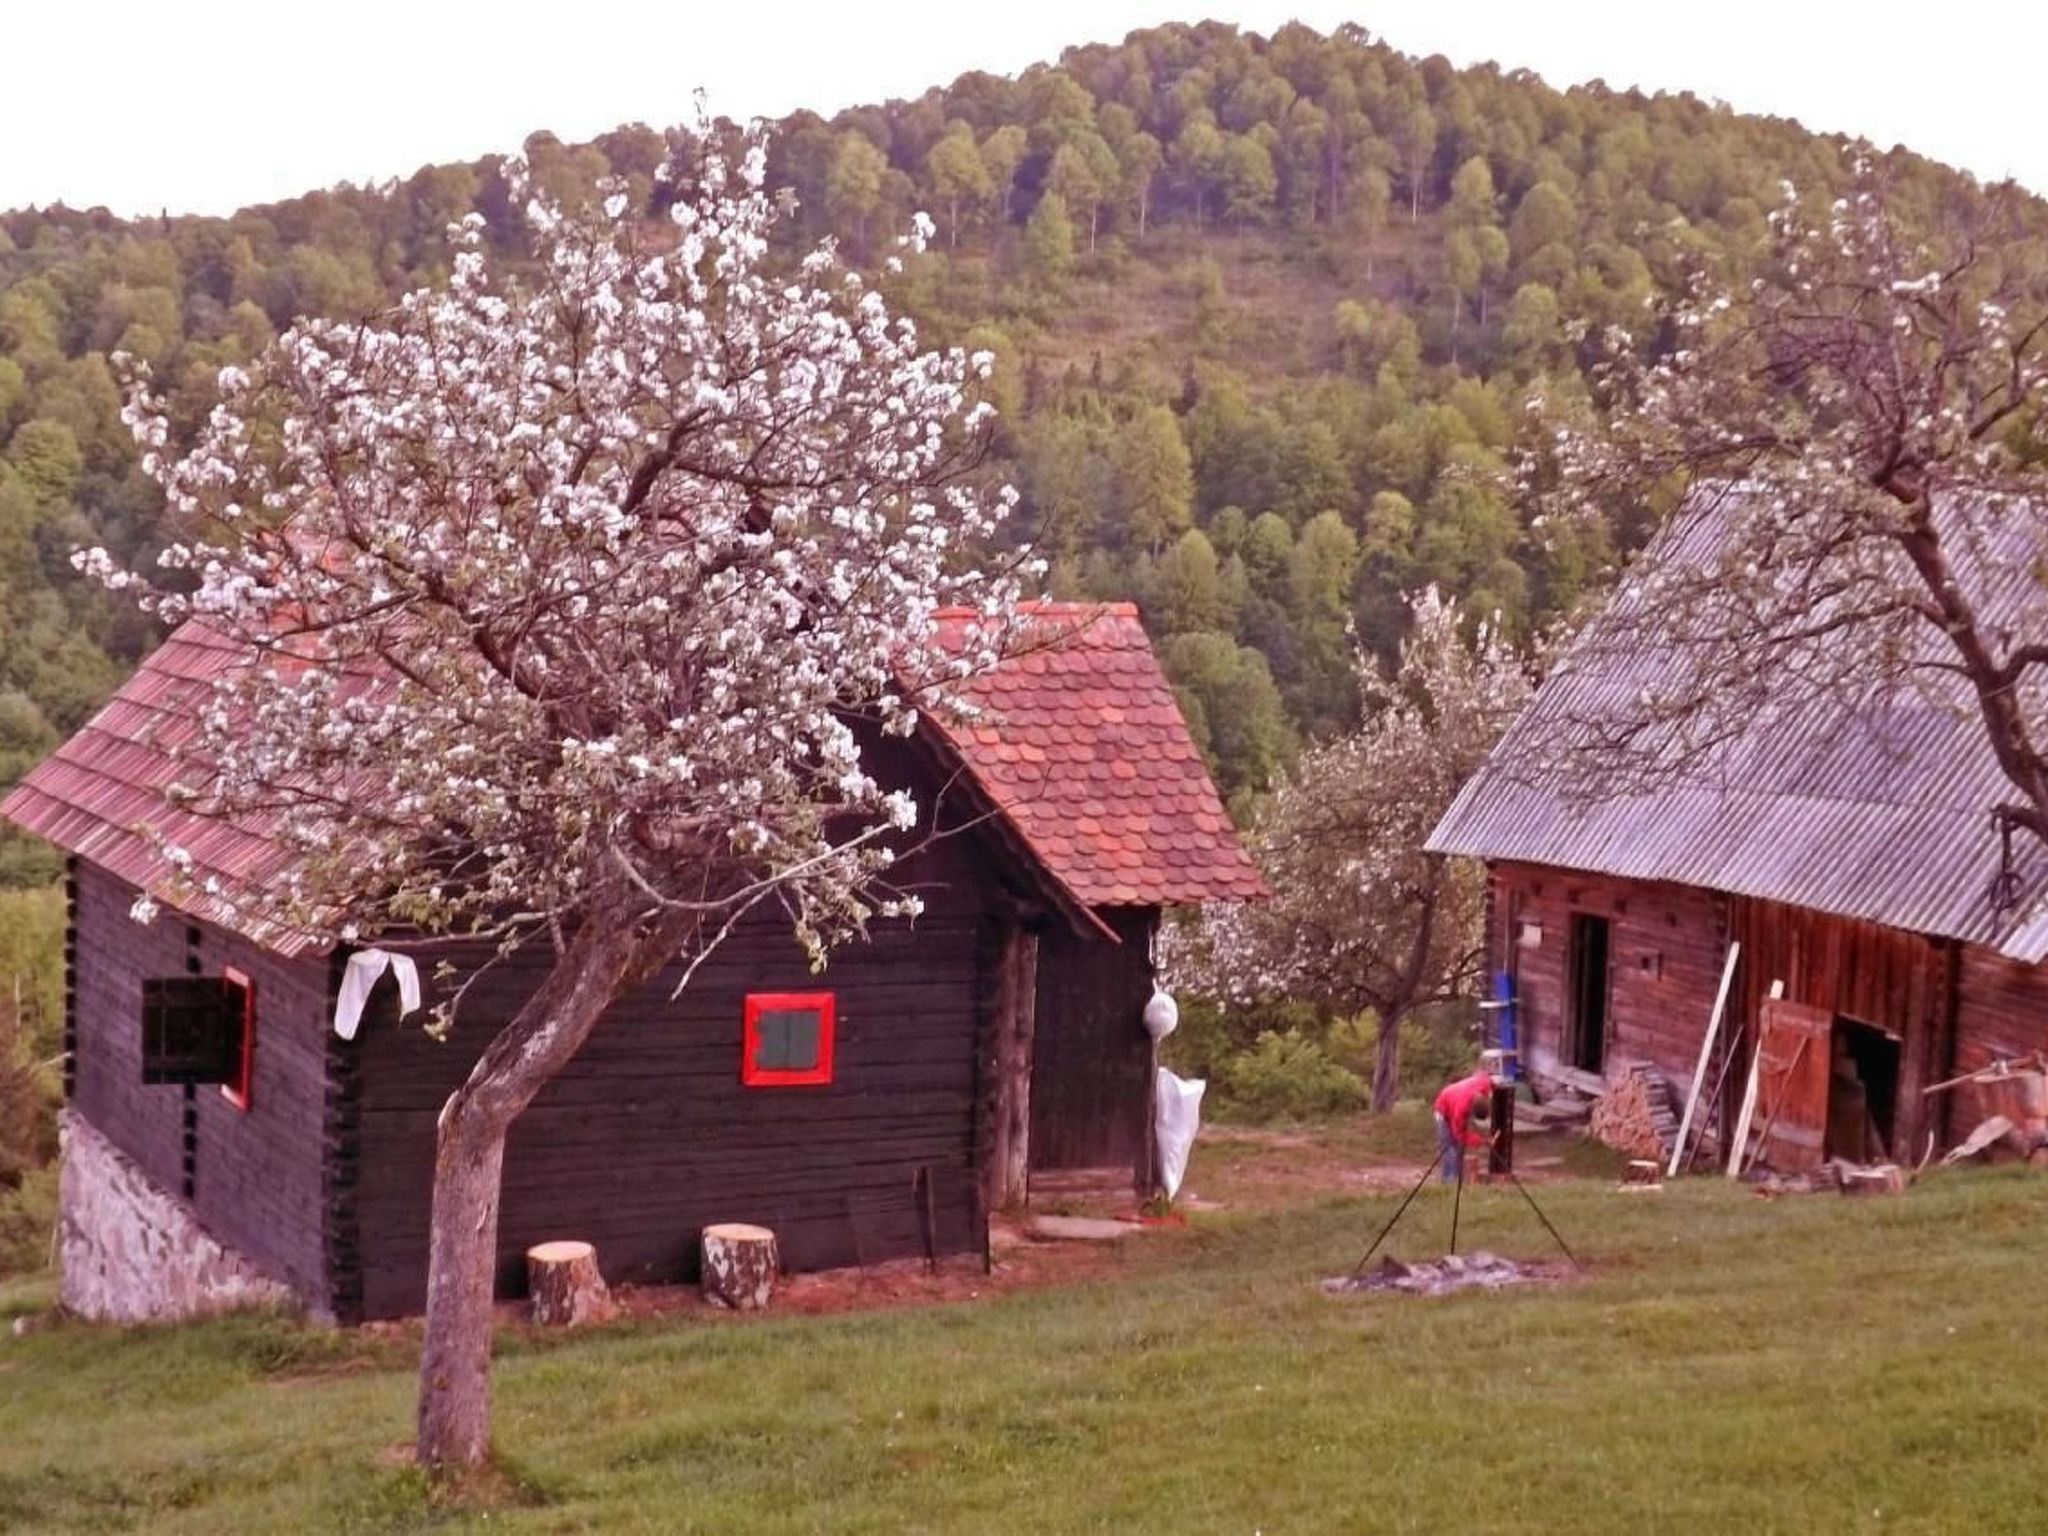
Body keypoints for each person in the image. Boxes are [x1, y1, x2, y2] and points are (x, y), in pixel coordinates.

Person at [1433, 1067, 1496, 1183]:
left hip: (1455, 1096)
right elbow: (1460, 1135)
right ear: (1471, 1111)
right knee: (1450, 1147)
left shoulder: (1485, 1083)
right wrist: (1483, 1141)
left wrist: (1495, 1086)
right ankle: (1449, 1181)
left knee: (1458, 1148)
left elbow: (1483, 1073)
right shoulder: (1461, 1110)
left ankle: (1457, 1176)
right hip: (1443, 1110)